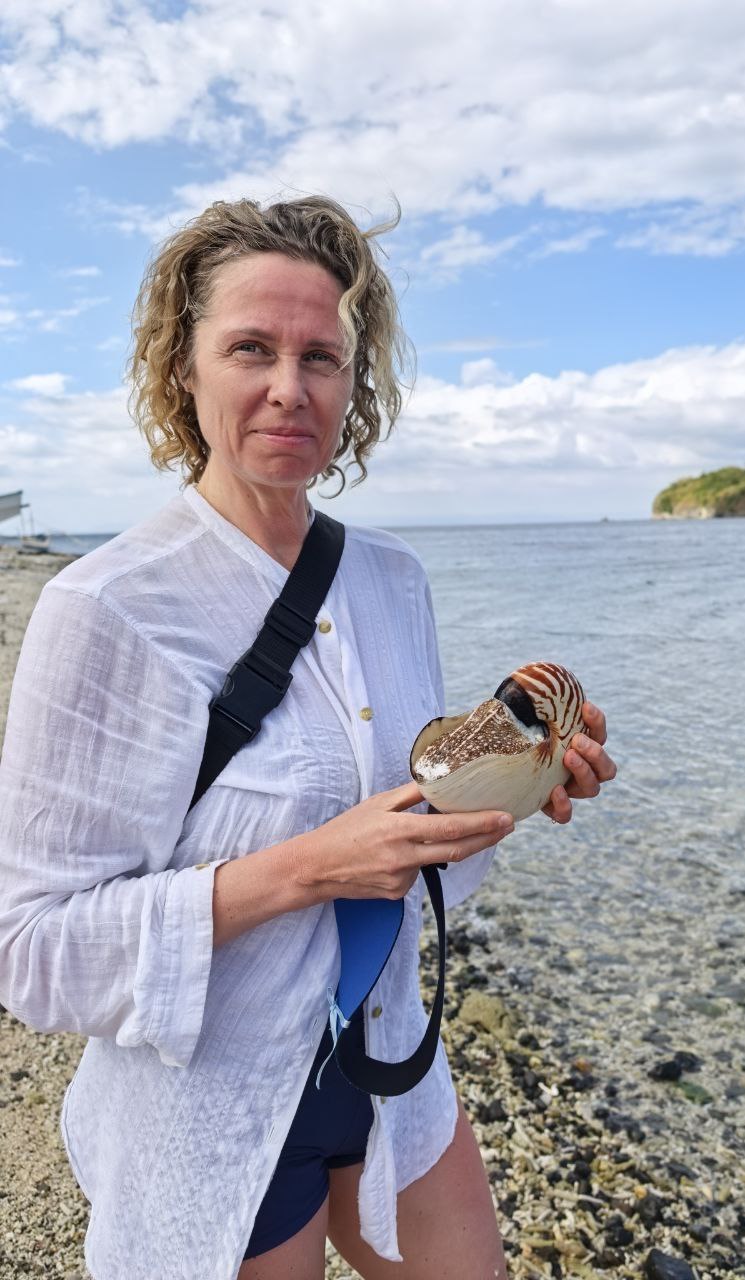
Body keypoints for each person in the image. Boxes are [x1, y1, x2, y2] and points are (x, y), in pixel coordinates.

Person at [0, 195, 616, 1280]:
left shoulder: (393, 579)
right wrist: (303, 869)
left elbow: (407, 838)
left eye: (322, 356)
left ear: (354, 383)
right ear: (182, 367)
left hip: (388, 1060)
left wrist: (513, 788)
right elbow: (33, 951)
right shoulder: (107, 605)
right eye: (252, 348)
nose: (291, 386)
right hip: (210, 1090)